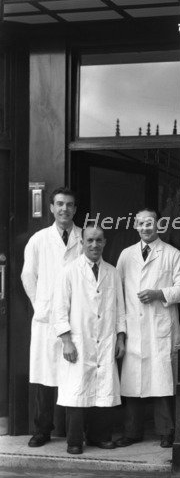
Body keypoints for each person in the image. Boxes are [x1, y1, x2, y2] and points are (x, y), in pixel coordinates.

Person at [115, 208, 180, 448]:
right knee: (132, 382)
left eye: (150, 223)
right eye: (141, 223)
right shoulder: (126, 256)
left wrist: (160, 293)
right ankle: (132, 431)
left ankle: (166, 431)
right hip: (134, 328)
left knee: (162, 382)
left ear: (159, 225)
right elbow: (117, 294)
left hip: (160, 326)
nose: (145, 227)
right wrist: (120, 332)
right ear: (135, 226)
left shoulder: (173, 254)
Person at [52, 225, 126, 454]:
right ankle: (74, 441)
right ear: (82, 242)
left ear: (104, 243)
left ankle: (99, 437)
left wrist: (120, 338)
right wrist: (66, 341)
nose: (94, 245)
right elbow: (59, 309)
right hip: (79, 340)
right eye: (90, 240)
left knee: (103, 389)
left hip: (105, 339)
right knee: (77, 390)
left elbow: (120, 309)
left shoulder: (112, 272)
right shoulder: (69, 271)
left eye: (99, 240)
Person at [21, 187, 83, 447]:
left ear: (75, 209)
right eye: (59, 204)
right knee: (45, 378)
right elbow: (28, 276)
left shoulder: (84, 238)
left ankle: (74, 434)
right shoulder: (39, 239)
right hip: (47, 320)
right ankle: (42, 430)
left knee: (75, 377)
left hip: (76, 317)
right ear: (50, 207)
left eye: (69, 205)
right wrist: (41, 306)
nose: (64, 209)